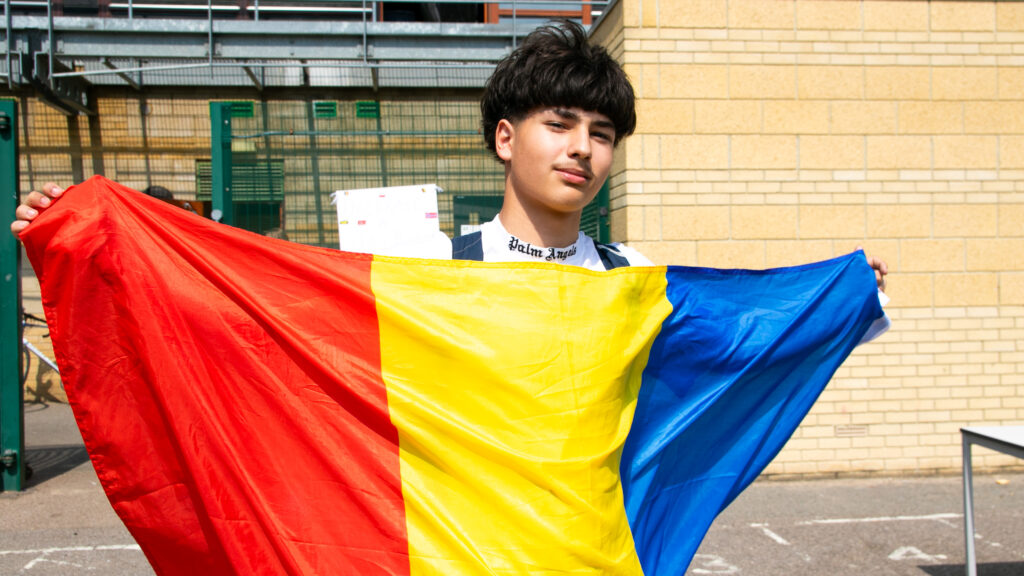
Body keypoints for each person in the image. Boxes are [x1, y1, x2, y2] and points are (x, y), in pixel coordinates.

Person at [10, 20, 887, 287]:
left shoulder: (634, 280)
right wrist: (89, 241)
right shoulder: (423, 265)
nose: (583, 149)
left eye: (603, 133)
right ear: (504, 138)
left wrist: (836, 294)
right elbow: (252, 299)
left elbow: (738, 340)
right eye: (560, 123)